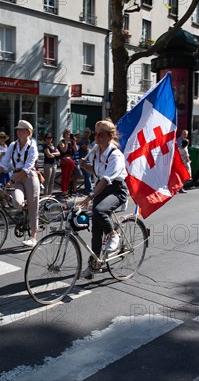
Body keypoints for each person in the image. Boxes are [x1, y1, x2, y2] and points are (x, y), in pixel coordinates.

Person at [77, 120, 128, 280]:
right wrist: (86, 167)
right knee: (96, 231)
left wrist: (90, 196)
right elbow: (98, 172)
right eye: (95, 134)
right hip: (102, 186)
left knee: (99, 211)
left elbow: (106, 178)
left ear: (110, 136)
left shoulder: (116, 155)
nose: (97, 138)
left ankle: (114, 234)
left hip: (116, 189)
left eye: (101, 135)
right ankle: (94, 265)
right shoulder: (96, 150)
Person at [0, 120, 40, 247]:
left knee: (33, 208)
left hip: (29, 176)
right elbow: (3, 163)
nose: (18, 132)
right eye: (17, 129)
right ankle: (25, 208)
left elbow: (27, 168)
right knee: (17, 202)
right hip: (16, 176)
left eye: (21, 130)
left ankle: (33, 237)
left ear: (28, 132)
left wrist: (11, 181)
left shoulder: (32, 146)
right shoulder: (13, 145)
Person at [58, 129, 77, 198]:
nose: (69, 135)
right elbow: (64, 150)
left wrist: (74, 142)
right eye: (67, 133)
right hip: (64, 160)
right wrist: (66, 143)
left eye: (70, 133)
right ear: (64, 134)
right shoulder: (62, 142)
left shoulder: (71, 142)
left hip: (71, 160)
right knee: (64, 176)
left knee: (69, 176)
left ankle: (67, 190)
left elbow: (75, 150)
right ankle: (64, 191)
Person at [78, 128, 93, 194]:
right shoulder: (82, 141)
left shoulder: (87, 140)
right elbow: (85, 149)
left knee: (88, 176)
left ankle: (87, 189)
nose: (87, 134)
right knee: (87, 176)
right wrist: (88, 143)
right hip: (83, 161)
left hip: (89, 160)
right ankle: (89, 190)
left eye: (88, 133)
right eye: (86, 132)